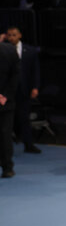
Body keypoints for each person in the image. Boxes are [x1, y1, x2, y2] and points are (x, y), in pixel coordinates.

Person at [4, 27, 41, 153]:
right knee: (7, 119)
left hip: (24, 89)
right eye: (9, 35)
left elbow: (35, 71)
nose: (12, 37)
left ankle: (28, 144)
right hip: (7, 91)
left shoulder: (30, 51)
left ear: (19, 35)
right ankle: (6, 146)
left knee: (24, 117)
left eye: (14, 35)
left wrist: (35, 87)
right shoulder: (3, 50)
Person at [0, 37, 19, 178]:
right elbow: (16, 75)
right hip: (5, 101)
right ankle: (7, 167)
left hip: (5, 101)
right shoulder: (10, 50)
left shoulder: (9, 50)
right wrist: (5, 95)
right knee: (5, 134)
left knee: (5, 135)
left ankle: (7, 166)